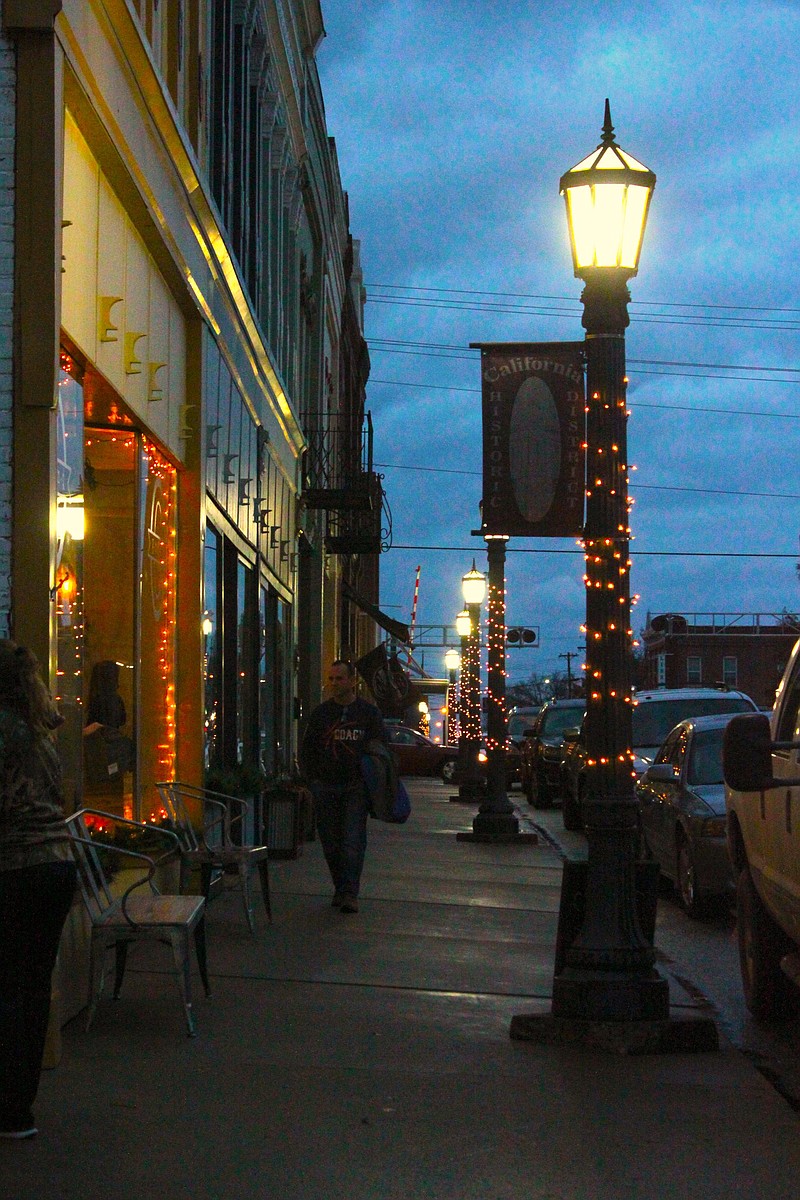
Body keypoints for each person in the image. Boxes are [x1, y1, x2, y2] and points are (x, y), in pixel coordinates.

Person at [0, 640, 77, 1140]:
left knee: (7, 987)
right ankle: (17, 1109)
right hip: (56, 868)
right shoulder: (38, 729)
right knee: (32, 987)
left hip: (14, 868)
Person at [300, 659, 386, 914]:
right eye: (332, 679)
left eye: (340, 678)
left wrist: (372, 778)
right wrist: (311, 779)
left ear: (352, 681)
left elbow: (380, 749)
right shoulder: (321, 714)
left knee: (352, 840)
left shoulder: (368, 714)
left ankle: (350, 892)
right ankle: (340, 887)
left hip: (355, 786)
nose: (335, 683)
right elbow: (308, 748)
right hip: (325, 785)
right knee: (331, 842)